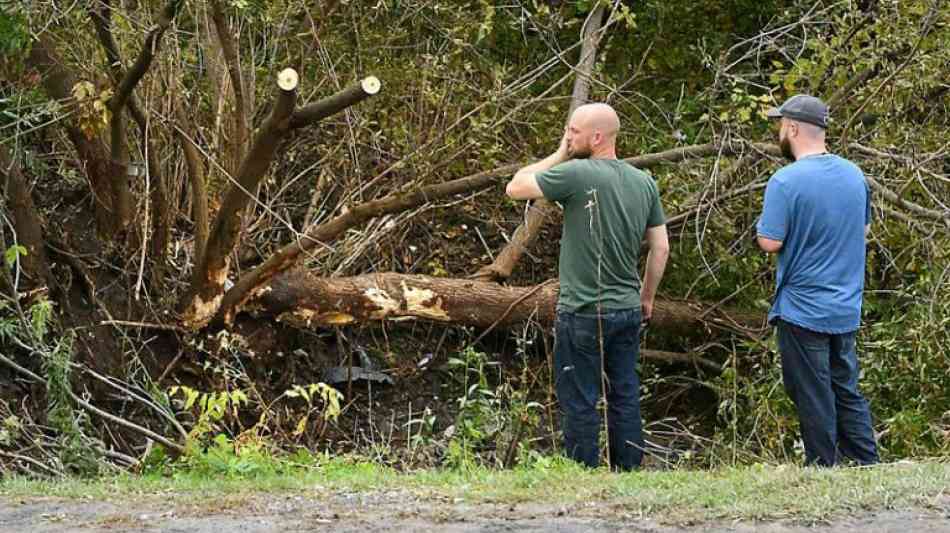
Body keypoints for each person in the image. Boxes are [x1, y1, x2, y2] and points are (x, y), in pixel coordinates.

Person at [505, 103, 670, 470]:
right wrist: (647, 297)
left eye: (574, 132)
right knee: (624, 394)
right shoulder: (644, 182)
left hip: (582, 310)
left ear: (597, 137)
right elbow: (661, 247)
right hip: (627, 309)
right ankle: (627, 471)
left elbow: (515, 187)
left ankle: (582, 473)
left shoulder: (577, 173)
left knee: (580, 398)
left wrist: (561, 153)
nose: (568, 137)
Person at [758, 94, 879, 467]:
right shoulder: (854, 175)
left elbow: (770, 241)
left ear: (792, 128)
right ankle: (865, 461)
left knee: (811, 391)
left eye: (781, 125)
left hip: (802, 308)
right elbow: (862, 230)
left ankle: (822, 466)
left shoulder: (785, 180)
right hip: (845, 304)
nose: (779, 131)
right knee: (846, 387)